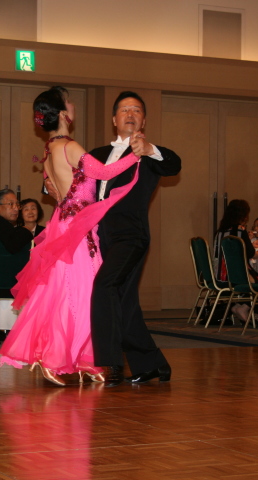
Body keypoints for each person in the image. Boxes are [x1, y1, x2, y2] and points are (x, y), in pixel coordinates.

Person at [0, 86, 142, 386]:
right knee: (78, 291)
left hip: (67, 224)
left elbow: (54, 189)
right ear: (63, 113)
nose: (73, 105)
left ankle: (79, 358)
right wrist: (135, 156)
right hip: (76, 229)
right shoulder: (69, 146)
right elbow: (104, 173)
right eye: (69, 102)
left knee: (70, 290)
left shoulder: (49, 150)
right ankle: (55, 358)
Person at [89, 91, 181, 387]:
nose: (130, 113)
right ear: (114, 119)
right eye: (124, 109)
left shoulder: (149, 155)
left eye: (136, 110)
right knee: (124, 302)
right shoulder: (97, 154)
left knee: (104, 286)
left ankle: (110, 363)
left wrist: (151, 149)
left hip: (131, 235)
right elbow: (77, 184)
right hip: (101, 238)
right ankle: (152, 364)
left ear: (144, 120)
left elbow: (174, 165)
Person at [213, 199, 258, 325]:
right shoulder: (240, 230)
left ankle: (239, 307)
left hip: (220, 275)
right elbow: (251, 253)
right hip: (237, 276)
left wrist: (250, 242)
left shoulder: (220, 232)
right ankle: (244, 307)